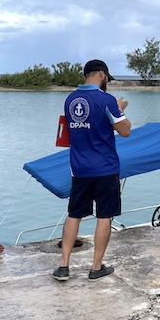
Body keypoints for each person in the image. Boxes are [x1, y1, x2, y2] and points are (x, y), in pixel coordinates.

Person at [52, 59, 131, 282]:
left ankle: (63, 266)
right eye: (107, 78)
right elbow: (125, 131)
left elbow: (68, 133)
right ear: (101, 74)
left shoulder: (70, 100)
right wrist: (120, 109)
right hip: (105, 168)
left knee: (74, 214)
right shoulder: (106, 100)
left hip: (79, 169)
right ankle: (96, 267)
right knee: (104, 216)